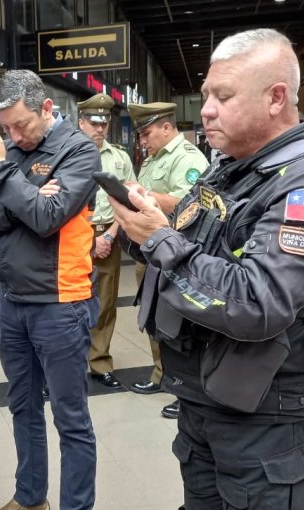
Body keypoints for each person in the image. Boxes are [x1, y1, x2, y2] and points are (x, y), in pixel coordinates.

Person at [110, 29, 304, 509]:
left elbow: (258, 302)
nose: (205, 109)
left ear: (275, 98)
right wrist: (140, 227)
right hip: (208, 399)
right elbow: (181, 243)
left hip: (267, 418)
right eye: (207, 94)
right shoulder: (228, 167)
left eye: (222, 96)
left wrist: (159, 238)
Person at [0, 69, 99, 510]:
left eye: (21, 124)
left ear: (46, 108)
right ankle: (30, 498)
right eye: (4, 127)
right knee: (22, 407)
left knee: (70, 418)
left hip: (61, 303)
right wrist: (25, 199)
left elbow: (49, 217)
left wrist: (1, 172)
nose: (13, 134)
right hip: (15, 303)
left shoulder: (78, 150)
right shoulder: (12, 151)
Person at [124, 101, 209, 421]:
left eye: (147, 133)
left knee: (180, 323)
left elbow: (192, 204)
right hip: (151, 251)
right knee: (156, 319)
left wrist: (143, 195)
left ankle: (185, 390)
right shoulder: (155, 158)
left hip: (176, 252)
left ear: (166, 127)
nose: (143, 141)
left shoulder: (187, 158)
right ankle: (162, 375)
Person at [77, 92, 133, 389]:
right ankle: (71, 363)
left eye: (104, 123)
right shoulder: (67, 153)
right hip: (75, 237)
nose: (99, 129)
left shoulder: (120, 157)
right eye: (93, 122)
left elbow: (128, 202)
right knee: (72, 303)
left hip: (108, 236)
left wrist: (109, 235)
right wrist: (89, 238)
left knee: (106, 303)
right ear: (81, 122)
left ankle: (100, 362)